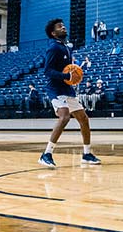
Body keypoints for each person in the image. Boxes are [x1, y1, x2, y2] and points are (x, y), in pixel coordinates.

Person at [38, 18, 101, 167]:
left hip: (67, 89)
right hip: (55, 88)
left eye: (63, 25)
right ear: (53, 33)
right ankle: (46, 154)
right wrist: (67, 76)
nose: (64, 27)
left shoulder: (65, 47)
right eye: (60, 27)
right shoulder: (53, 47)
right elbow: (47, 71)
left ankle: (86, 154)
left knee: (84, 119)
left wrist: (74, 75)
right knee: (64, 116)